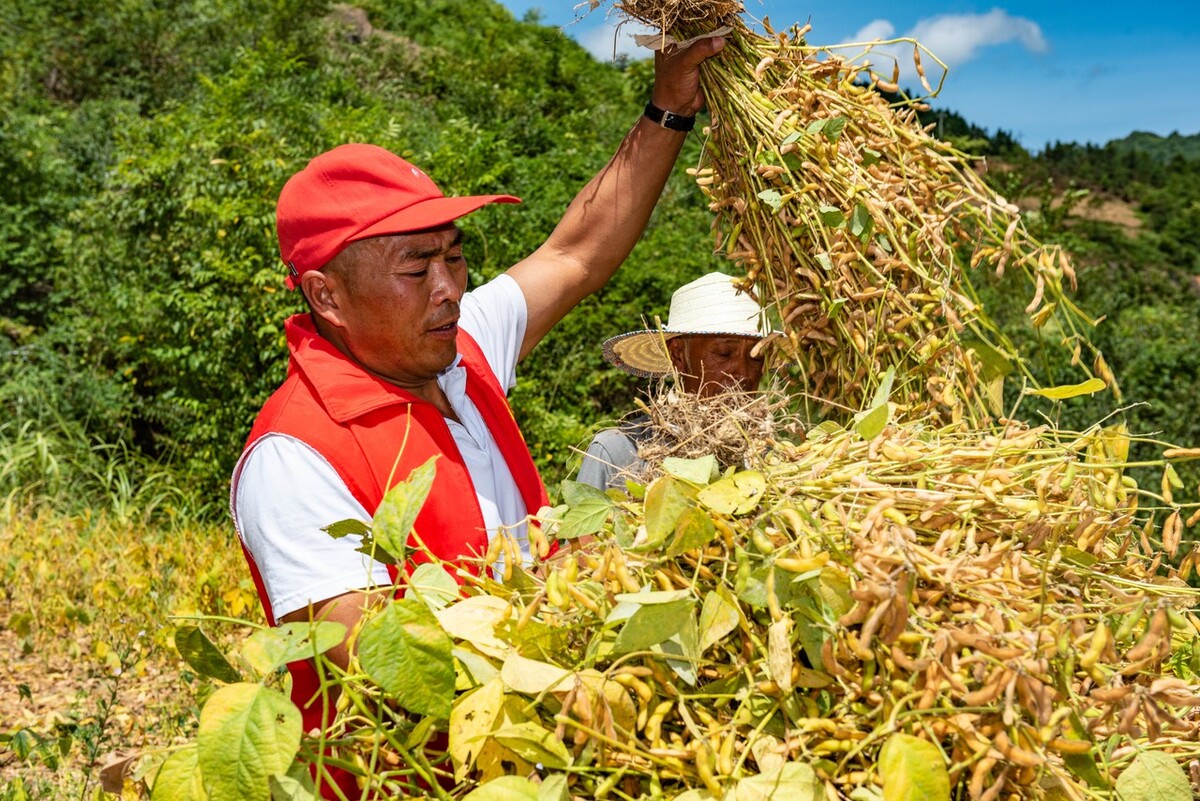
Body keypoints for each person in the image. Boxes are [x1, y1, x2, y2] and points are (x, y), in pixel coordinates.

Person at [228, 35, 726, 745]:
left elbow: (576, 252)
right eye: (416, 267)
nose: (450, 288)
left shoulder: (455, 351)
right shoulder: (295, 455)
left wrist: (668, 109)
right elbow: (387, 669)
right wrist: (580, 607)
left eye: (456, 256)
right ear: (326, 296)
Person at [577, 271, 772, 490]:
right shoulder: (617, 454)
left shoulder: (770, 459)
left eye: (757, 358)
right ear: (678, 354)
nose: (744, 373)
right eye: (724, 353)